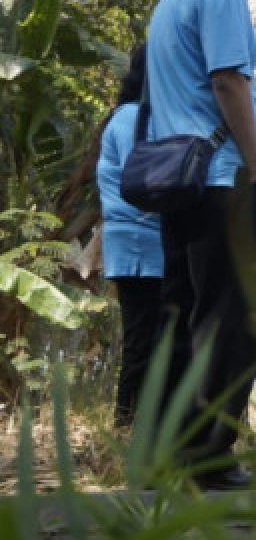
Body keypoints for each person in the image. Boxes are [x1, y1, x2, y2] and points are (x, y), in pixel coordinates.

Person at [147, 0, 256, 490]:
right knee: (231, 318)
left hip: (179, 180)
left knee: (185, 316)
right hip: (224, 177)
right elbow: (228, 82)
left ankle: (170, 450)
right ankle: (209, 458)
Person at [82, 45, 163, 428]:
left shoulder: (132, 116)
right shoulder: (134, 118)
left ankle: (134, 423)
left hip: (139, 241)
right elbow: (147, 182)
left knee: (145, 337)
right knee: (143, 340)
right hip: (139, 240)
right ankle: (127, 425)